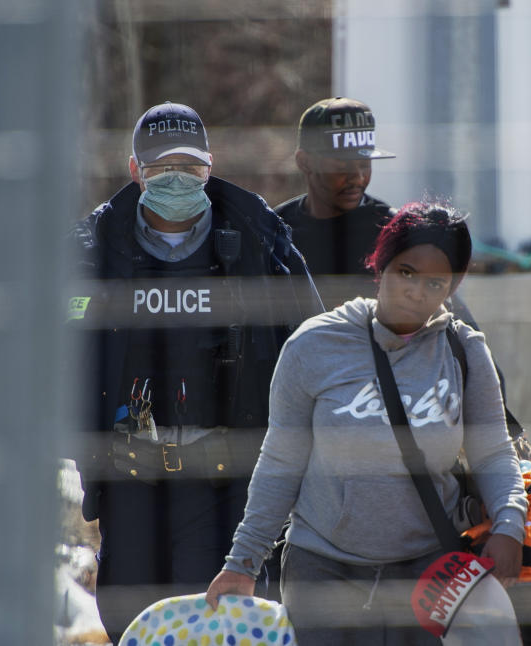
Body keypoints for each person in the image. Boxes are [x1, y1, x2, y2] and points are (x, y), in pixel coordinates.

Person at [205, 202, 529, 644]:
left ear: (452, 285)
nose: (417, 291)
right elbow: (280, 460)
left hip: (428, 568)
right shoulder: (315, 344)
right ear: (381, 265)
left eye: (436, 282)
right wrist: (242, 562)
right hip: (321, 567)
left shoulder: (465, 352)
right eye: (406, 272)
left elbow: (493, 453)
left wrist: (510, 525)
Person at [68, 101, 319, 642]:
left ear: (211, 164)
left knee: (221, 621)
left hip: (229, 480)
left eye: (190, 166)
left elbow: (316, 350)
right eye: (160, 168)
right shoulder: (90, 253)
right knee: (132, 621)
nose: (176, 179)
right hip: (130, 480)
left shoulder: (260, 244)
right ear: (134, 170)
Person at [274, 96, 396, 308]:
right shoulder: (277, 228)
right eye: (342, 166)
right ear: (304, 162)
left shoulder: (392, 230)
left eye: (365, 165)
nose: (357, 178)